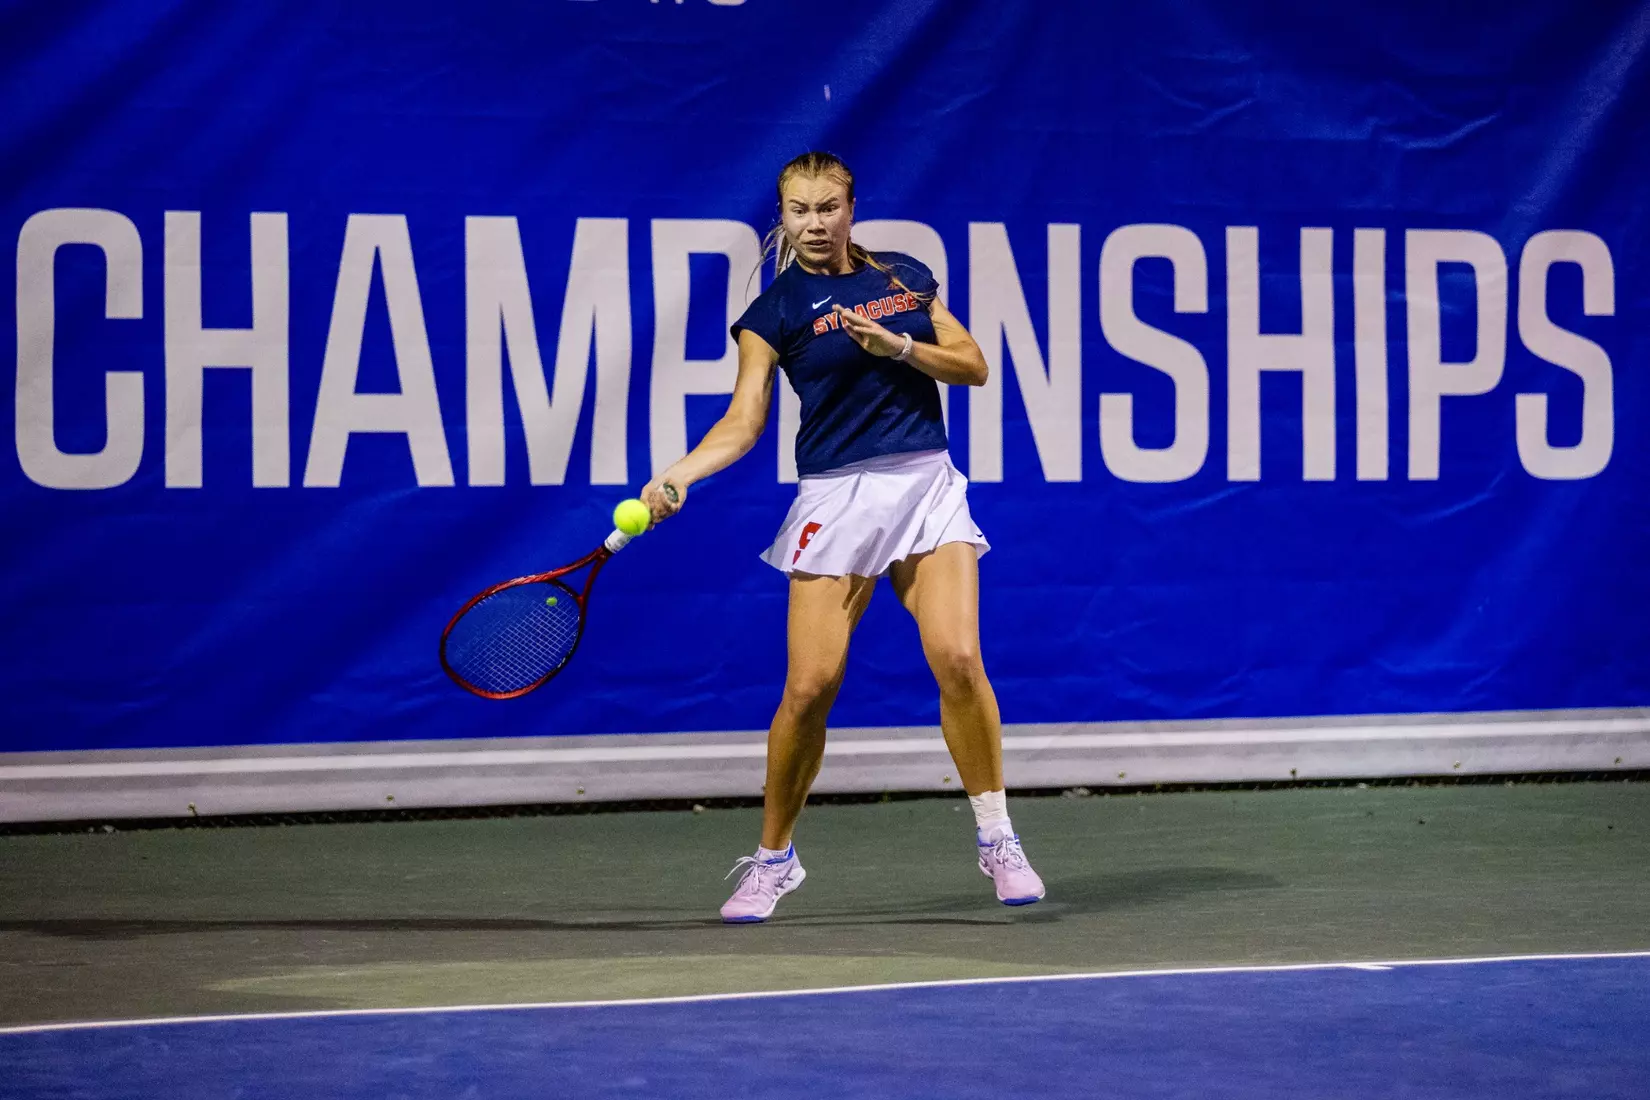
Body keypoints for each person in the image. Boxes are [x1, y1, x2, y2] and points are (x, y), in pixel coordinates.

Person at [641, 151, 1044, 923]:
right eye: (799, 210)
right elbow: (745, 419)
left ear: (851, 207)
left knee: (958, 657)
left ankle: (998, 837)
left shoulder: (903, 277)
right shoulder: (773, 312)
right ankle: (774, 859)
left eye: (828, 207)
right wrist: (681, 474)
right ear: (782, 216)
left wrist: (898, 346)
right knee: (809, 687)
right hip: (836, 494)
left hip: (925, 482)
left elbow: (973, 365)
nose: (815, 224)